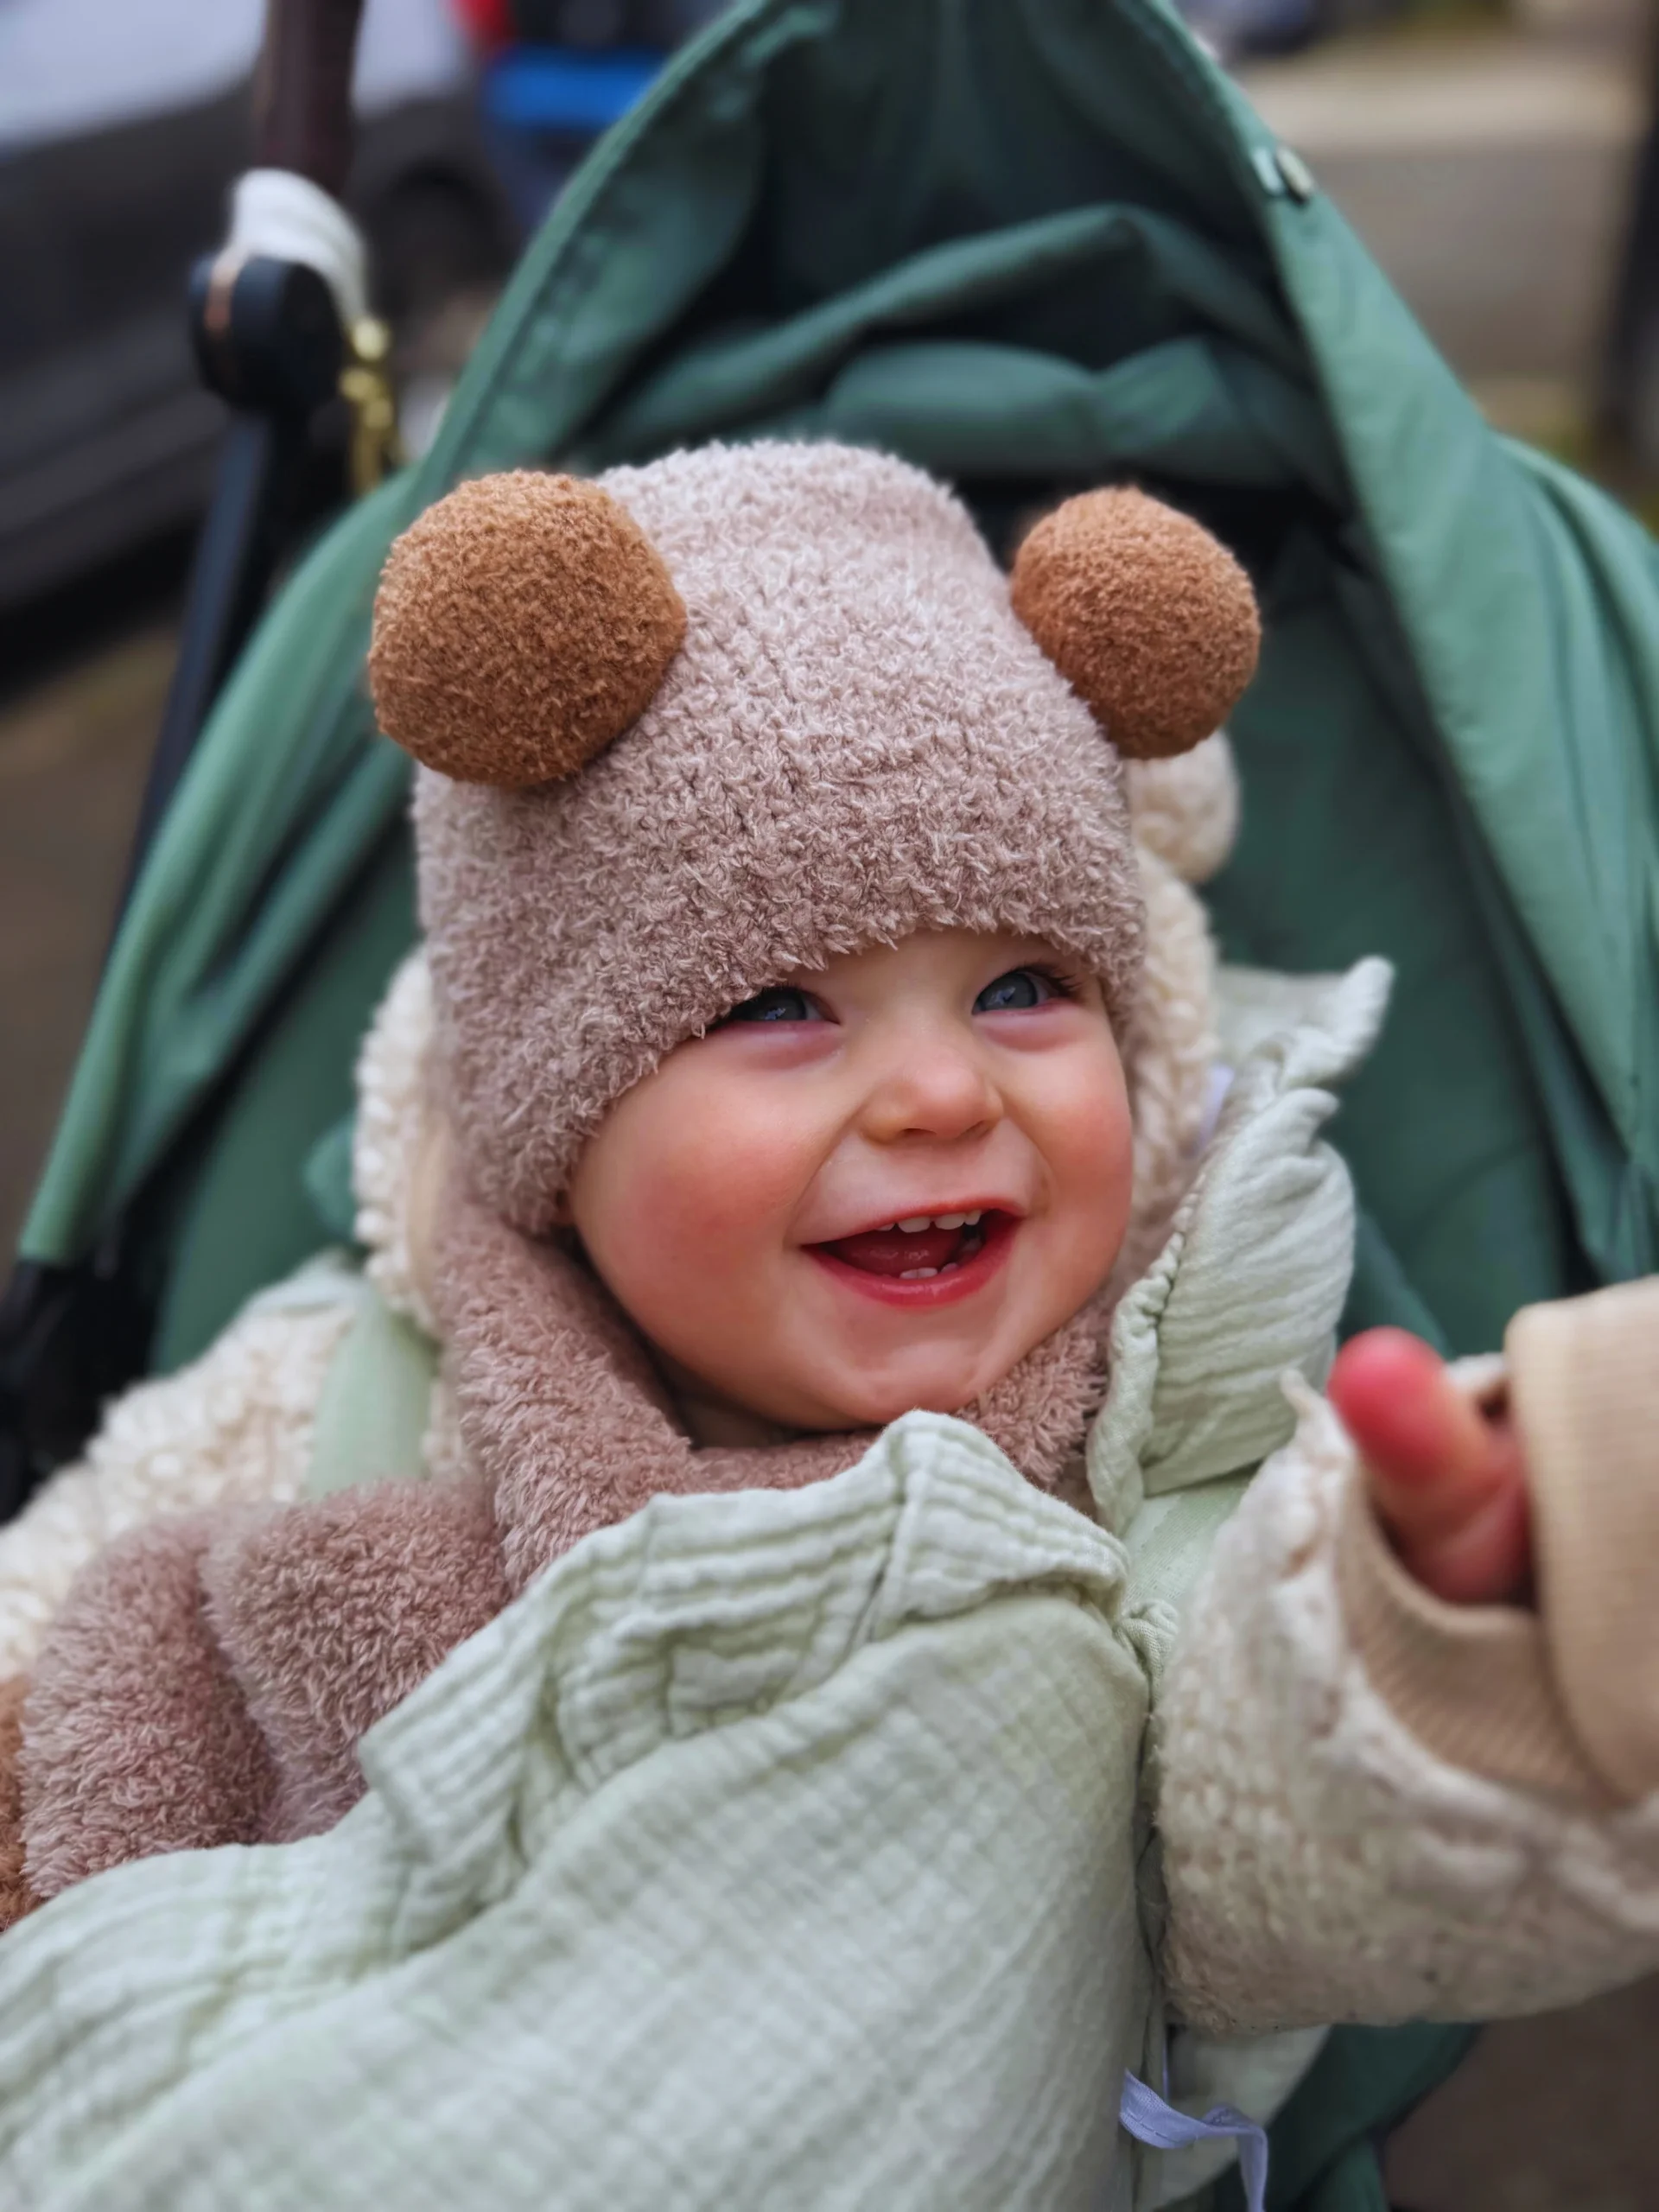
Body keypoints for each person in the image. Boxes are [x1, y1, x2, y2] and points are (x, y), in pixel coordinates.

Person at [0, 442, 1653, 2205]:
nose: (942, 1089)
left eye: (1025, 987)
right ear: (562, 1119)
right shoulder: (349, 1390)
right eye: (784, 1003)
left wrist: (1446, 1638)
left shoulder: (1156, 1456)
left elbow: (1264, 1823)